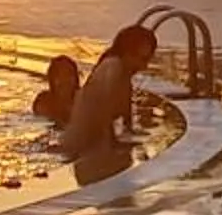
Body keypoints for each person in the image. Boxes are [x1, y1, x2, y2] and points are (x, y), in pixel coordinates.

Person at [60, 25, 156, 155]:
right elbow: (103, 109)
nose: (144, 66)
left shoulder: (124, 73)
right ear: (127, 53)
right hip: (78, 146)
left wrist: (130, 132)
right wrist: (111, 144)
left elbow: (125, 112)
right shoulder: (112, 67)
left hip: (82, 142)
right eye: (142, 59)